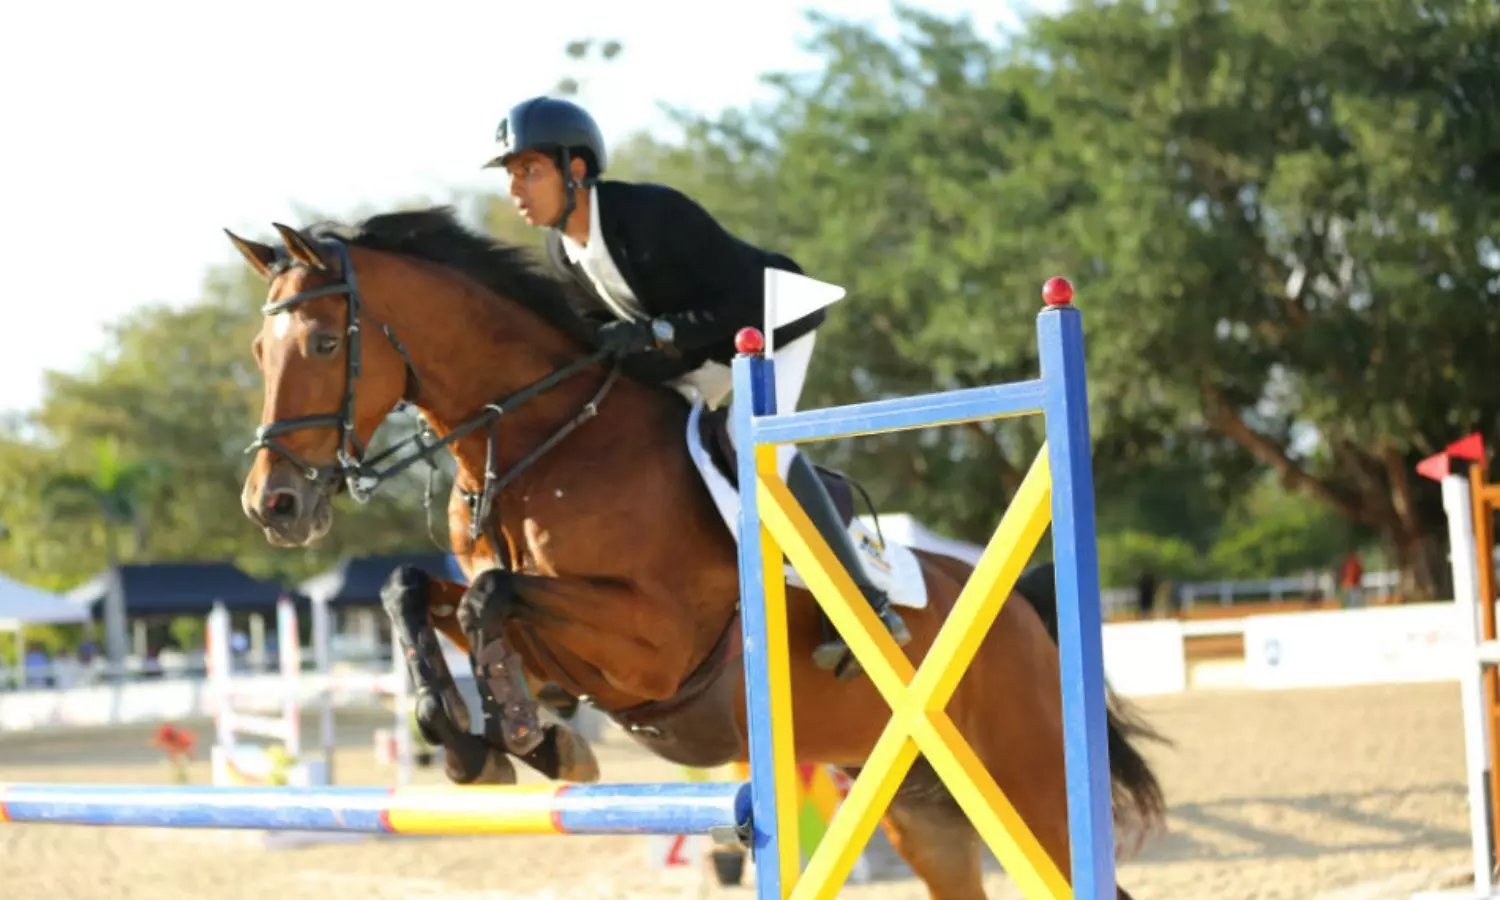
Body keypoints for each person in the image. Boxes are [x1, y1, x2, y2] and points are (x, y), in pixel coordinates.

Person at [482, 95, 911, 678]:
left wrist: (658, 331)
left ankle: (865, 605)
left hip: (770, 321)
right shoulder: (562, 254)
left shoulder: (652, 216)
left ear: (575, 170)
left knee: (750, 437)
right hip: (699, 354)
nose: (516, 190)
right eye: (512, 175)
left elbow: (738, 298)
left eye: (529, 171)